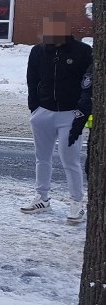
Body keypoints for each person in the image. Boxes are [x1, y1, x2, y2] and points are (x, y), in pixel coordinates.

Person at [22, 19, 92, 222]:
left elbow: (88, 83)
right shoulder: (38, 51)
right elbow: (32, 79)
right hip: (43, 112)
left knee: (70, 160)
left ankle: (76, 203)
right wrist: (34, 108)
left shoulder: (83, 51)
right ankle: (42, 198)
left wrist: (81, 110)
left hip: (71, 114)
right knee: (42, 158)